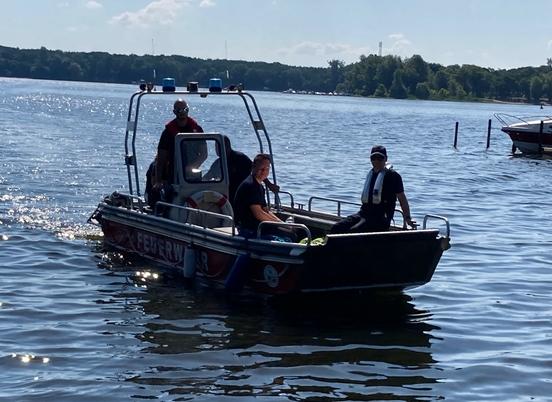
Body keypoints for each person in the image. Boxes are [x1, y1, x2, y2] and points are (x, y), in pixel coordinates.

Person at [330, 145, 415, 233]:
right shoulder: (371, 174)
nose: (376, 161)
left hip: (380, 218)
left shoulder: (393, 176)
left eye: (380, 158)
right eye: (374, 158)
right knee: (337, 227)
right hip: (363, 214)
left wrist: (408, 218)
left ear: (386, 159)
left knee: (354, 231)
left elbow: (402, 198)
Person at [145, 99, 205, 207]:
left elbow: (203, 154)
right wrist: (158, 181)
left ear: (188, 110)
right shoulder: (168, 132)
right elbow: (161, 158)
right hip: (171, 171)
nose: (181, 112)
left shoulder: (197, 129)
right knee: (162, 191)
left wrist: (192, 167)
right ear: (174, 112)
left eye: (184, 110)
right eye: (178, 110)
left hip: (190, 172)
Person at [205, 136, 280, 202]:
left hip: (242, 193)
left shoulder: (240, 158)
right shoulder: (218, 163)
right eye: (216, 147)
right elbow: (207, 177)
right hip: (227, 193)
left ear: (226, 146)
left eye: (218, 146)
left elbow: (258, 170)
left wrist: (269, 185)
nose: (216, 149)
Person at [233, 153, 284, 238]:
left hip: (258, 225)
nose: (264, 171)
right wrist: (279, 225)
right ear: (253, 167)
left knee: (289, 232)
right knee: (288, 236)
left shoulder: (259, 186)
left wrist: (282, 223)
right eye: (261, 168)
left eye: (267, 169)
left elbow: (265, 211)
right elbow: (258, 213)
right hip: (248, 229)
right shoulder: (250, 185)